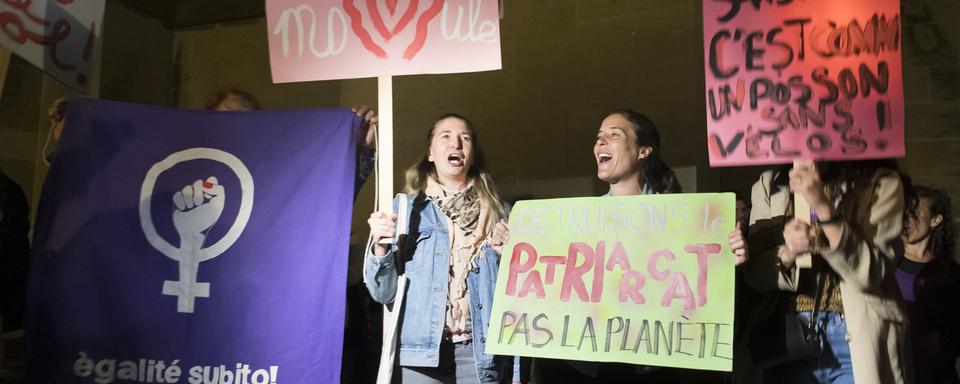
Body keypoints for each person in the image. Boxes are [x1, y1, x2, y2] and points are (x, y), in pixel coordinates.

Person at [523, 109, 747, 383]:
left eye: (614, 135)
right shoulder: (575, 225)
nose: (600, 143)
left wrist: (727, 257)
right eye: (599, 137)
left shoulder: (684, 221)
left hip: (659, 368)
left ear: (644, 151)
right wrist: (514, 249)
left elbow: (704, 297)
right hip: (597, 366)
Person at [365, 114, 518, 383]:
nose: (456, 143)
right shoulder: (405, 210)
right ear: (430, 152)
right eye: (445, 136)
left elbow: (518, 300)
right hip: (420, 359)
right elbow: (382, 293)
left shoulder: (501, 215)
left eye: (465, 138)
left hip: (481, 356)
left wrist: (509, 259)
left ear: (472, 155)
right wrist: (380, 246)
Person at [744, 160, 912, 384]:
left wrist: (823, 207)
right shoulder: (770, 184)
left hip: (854, 336)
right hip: (787, 335)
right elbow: (754, 276)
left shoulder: (880, 182)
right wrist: (788, 253)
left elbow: (869, 274)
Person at [897, 185, 960, 384]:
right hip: (895, 368)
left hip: (937, 374)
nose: (906, 219)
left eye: (914, 213)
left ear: (935, 220)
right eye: (903, 211)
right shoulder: (885, 262)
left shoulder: (949, 272)